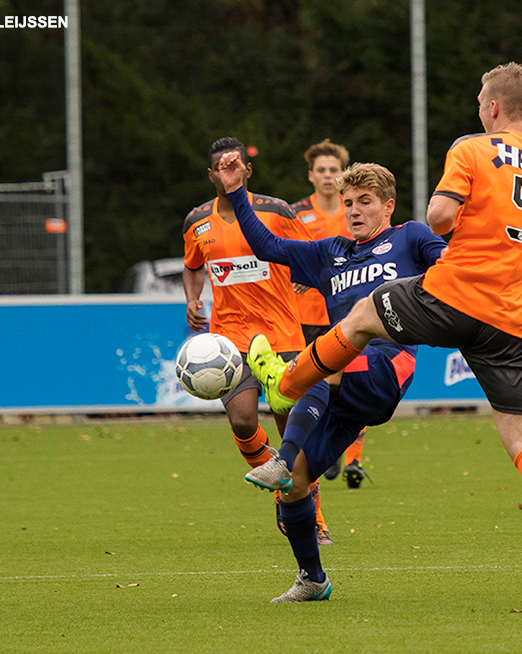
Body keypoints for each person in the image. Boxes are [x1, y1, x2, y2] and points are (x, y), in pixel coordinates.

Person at [242, 63, 522, 609]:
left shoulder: (473, 148)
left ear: (493, 107)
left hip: (460, 293)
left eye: (479, 99)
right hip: (516, 318)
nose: (477, 107)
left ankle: (286, 382)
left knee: (362, 315)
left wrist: (463, 223)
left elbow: (441, 215)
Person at [216, 157, 447, 602]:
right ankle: (313, 580)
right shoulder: (331, 252)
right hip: (342, 386)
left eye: (365, 201)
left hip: (387, 365)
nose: (355, 210)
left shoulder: (410, 236)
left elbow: (450, 267)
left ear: (388, 206)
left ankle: (282, 433)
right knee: (296, 486)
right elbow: (267, 246)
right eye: (348, 203)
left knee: (321, 362)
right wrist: (237, 191)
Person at [181, 137, 332, 542]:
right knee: (243, 420)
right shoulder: (197, 221)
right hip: (230, 343)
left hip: (282, 336)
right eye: (220, 166)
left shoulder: (276, 211)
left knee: (293, 432)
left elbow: (309, 251)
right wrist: (193, 298)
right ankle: (284, 486)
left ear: (248, 170)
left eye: (236, 165)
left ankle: (310, 507)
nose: (228, 171)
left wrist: (308, 280)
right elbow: (192, 266)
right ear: (211, 174)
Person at [290, 139, 369, 488]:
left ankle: (351, 457)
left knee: (352, 386)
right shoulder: (296, 214)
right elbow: (288, 257)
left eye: (333, 170)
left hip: (345, 315)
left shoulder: (355, 210)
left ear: (342, 175)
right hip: (304, 317)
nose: (327, 175)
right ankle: (320, 447)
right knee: (312, 387)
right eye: (321, 170)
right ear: (311, 176)